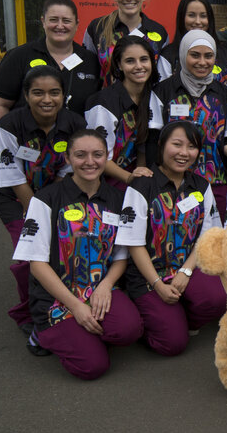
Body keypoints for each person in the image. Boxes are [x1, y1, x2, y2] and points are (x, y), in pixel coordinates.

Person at [14, 129, 144, 377]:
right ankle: (43, 334)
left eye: (97, 154)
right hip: (56, 296)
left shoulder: (117, 199)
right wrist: (75, 306)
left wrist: (106, 285)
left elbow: (120, 256)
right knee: (92, 366)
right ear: (68, 159)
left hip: (97, 289)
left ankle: (80, 333)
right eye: (80, 155)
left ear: (107, 157)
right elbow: (37, 265)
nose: (89, 162)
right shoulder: (46, 199)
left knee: (129, 331)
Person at [116, 121, 226, 356]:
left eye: (191, 147)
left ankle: (185, 316)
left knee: (217, 298)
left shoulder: (201, 185)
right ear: (162, 145)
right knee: (172, 344)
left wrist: (186, 271)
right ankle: (150, 315)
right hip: (148, 276)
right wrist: (158, 284)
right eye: (176, 144)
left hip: (186, 268)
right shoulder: (142, 185)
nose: (184, 153)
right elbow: (133, 243)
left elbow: (208, 236)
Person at [0, 66, 86, 329]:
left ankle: (63, 303)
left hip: (55, 195)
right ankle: (28, 315)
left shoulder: (74, 124)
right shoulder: (9, 126)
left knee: (60, 252)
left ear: (63, 95)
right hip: (15, 198)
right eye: (38, 93)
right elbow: (13, 177)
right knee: (29, 256)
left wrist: (52, 208)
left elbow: (67, 170)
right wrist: (36, 211)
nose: (47, 99)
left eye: (54, 93)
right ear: (26, 95)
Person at [148, 30, 227, 219]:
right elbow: (154, 142)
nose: (202, 62)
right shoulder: (163, 92)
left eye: (208, 56)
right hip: (170, 184)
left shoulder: (226, 95)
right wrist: (156, 182)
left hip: (216, 183)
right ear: (183, 55)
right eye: (195, 55)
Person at [0, 0, 101, 147]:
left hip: (76, 155)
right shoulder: (18, 57)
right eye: (53, 19)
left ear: (76, 24)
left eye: (66, 20)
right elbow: (0, 105)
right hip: (25, 150)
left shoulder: (91, 61)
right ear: (43, 21)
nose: (60, 26)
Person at [84, 36, 157, 188]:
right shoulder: (104, 103)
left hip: (131, 177)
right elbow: (97, 157)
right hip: (100, 180)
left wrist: (140, 175)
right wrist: (131, 179)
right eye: (130, 61)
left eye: (144, 59)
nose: (139, 66)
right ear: (119, 65)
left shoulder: (152, 97)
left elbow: (142, 146)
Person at [83, 0, 168, 81]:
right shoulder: (97, 27)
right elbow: (88, 72)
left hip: (147, 98)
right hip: (107, 98)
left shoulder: (158, 31)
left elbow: (162, 78)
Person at [157, 0, 227, 84]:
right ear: (182, 18)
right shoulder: (168, 55)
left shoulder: (225, 55)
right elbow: (162, 92)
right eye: (191, 15)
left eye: (203, 16)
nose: (198, 21)